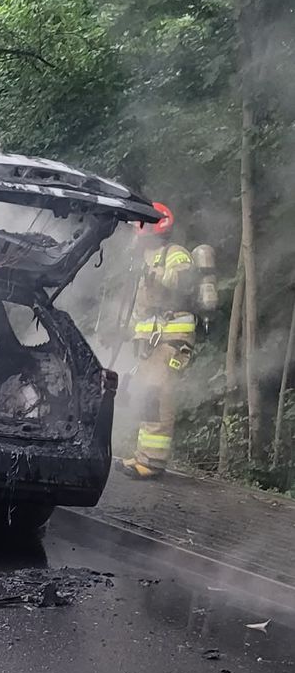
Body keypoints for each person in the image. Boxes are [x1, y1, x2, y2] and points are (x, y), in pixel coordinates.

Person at [122, 202, 199, 480]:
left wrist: (152, 273)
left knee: (159, 395)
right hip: (152, 343)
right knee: (148, 396)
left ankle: (153, 462)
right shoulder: (147, 260)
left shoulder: (175, 254)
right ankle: (144, 456)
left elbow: (183, 283)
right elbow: (143, 309)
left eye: (137, 228)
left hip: (172, 340)